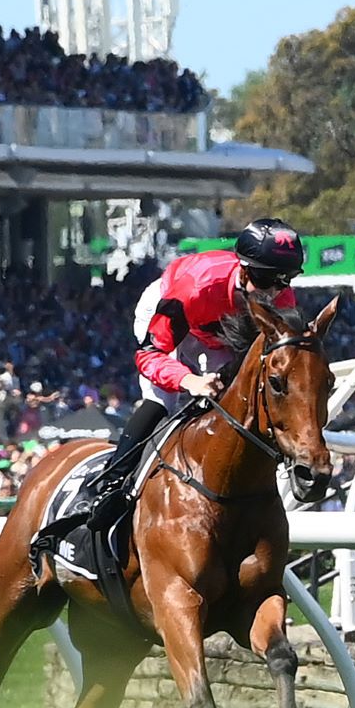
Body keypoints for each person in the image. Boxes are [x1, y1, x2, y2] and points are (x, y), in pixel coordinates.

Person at [32, 218, 308, 567]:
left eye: (286, 279)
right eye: (267, 279)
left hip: (217, 332)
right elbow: (149, 355)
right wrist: (189, 381)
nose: (276, 291)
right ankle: (106, 487)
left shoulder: (278, 295)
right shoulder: (197, 286)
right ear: (244, 268)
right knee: (162, 400)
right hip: (171, 313)